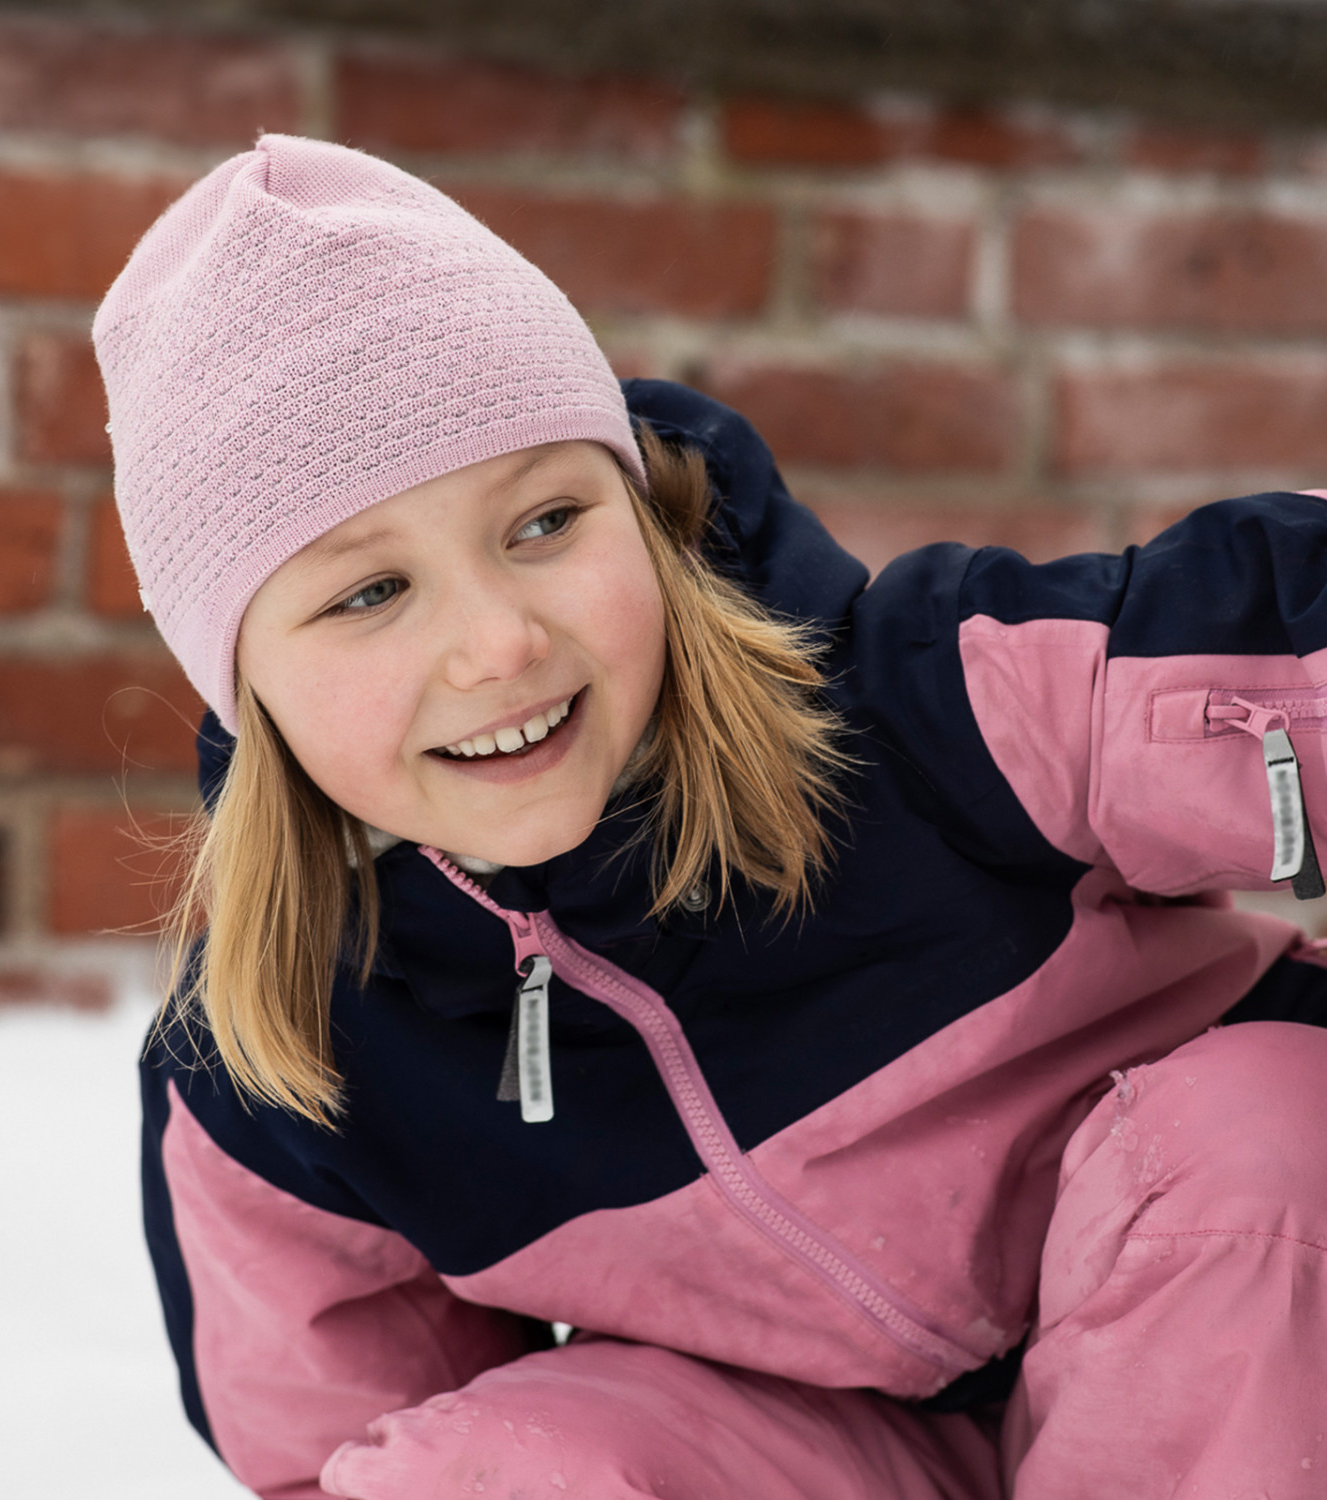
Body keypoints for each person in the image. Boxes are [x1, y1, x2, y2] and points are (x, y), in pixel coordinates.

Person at [93, 134, 1327, 1500]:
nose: (498, 643)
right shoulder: (277, 1072)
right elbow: (336, 1457)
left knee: (1263, 1140)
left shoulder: (931, 713)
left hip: (1242, 1385)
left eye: (545, 521)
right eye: (369, 594)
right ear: (244, 682)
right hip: (814, 1457)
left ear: (643, 512)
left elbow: (1269, 641)